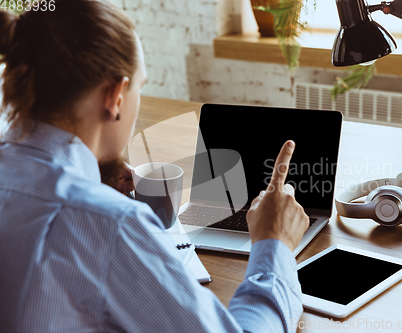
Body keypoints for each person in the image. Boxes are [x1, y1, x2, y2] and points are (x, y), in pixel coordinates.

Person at [0, 1, 310, 332]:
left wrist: (91, 178)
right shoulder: (112, 224)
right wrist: (273, 244)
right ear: (116, 95)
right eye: (140, 87)